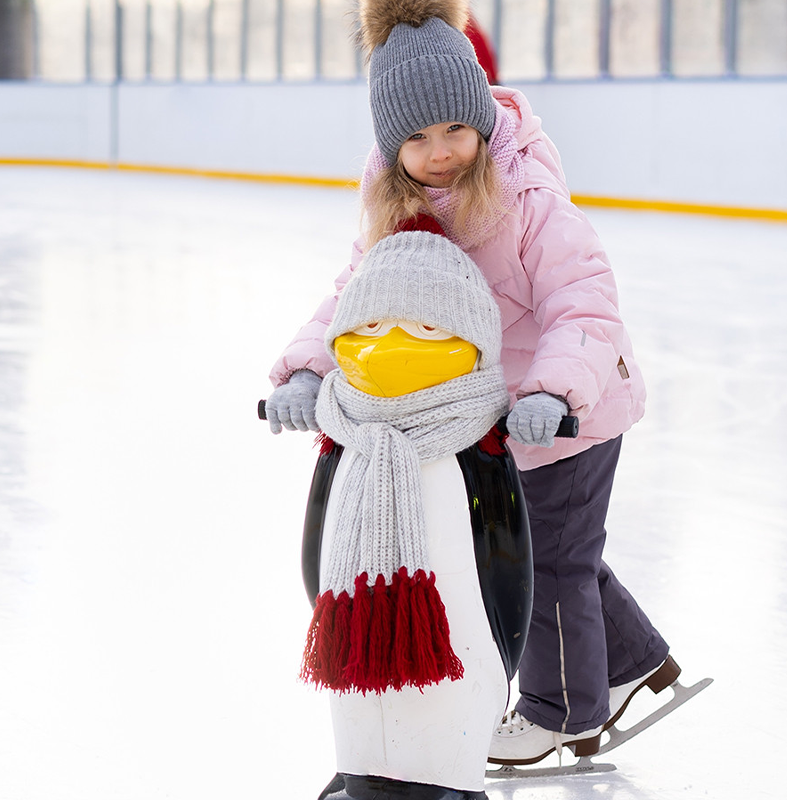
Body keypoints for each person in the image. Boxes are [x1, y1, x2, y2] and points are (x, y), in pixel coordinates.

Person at [266, 0, 680, 767]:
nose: (442, 152)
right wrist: (304, 368)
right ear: (392, 148)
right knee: (565, 550)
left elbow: (584, 301)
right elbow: (354, 298)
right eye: (417, 139)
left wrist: (555, 392)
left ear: (482, 119)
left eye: (455, 129)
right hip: (505, 422)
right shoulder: (398, 214)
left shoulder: (528, 204)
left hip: (571, 414)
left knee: (551, 561)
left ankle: (565, 715)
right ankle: (630, 662)